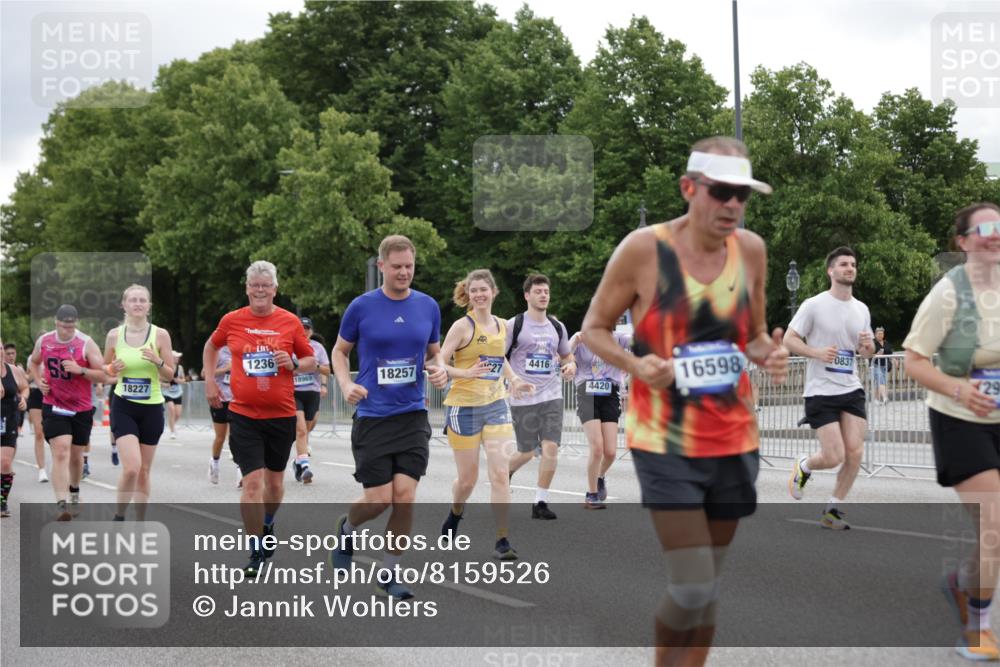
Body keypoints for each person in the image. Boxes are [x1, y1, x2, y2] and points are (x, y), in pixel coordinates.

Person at [581, 136, 787, 666]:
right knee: (692, 584)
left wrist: (771, 353)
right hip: (665, 438)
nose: (733, 206)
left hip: (733, 436)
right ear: (688, 188)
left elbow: (756, 335)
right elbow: (593, 330)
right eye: (721, 192)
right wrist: (636, 365)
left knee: (708, 584)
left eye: (742, 195)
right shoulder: (644, 250)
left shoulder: (753, 251)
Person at [903, 202, 1000, 661]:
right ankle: (978, 629)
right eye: (985, 228)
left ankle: (964, 582)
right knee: (995, 526)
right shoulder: (948, 295)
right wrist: (960, 391)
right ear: (962, 241)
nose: (995, 234)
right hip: (961, 421)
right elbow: (914, 362)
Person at [329, 235, 448, 600]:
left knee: (405, 497)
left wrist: (440, 370)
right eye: (396, 266)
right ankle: (347, 529)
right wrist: (346, 382)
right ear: (382, 266)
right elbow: (339, 350)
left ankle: (389, 571)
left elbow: (435, 352)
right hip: (373, 415)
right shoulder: (362, 307)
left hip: (411, 415)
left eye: (409, 266)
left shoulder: (427, 306)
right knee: (379, 499)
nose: (404, 272)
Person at [204, 261, 316, 576]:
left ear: (275, 289)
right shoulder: (232, 320)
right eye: (255, 285)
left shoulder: (289, 322)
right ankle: (255, 548)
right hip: (243, 414)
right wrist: (210, 380)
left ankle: (268, 525)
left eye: (266, 285)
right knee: (252, 483)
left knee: (275, 484)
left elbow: (309, 360)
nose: (260, 290)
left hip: (280, 414)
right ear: (247, 288)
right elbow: (210, 347)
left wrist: (293, 362)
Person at [439, 269, 532, 560]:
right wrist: (464, 372)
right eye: (474, 290)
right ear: (468, 294)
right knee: (467, 480)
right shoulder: (461, 327)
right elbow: (439, 363)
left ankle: (502, 539)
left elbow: (499, 359)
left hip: (496, 406)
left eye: (484, 289)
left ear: (494, 292)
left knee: (500, 475)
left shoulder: (503, 326)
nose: (479, 294)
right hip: (463, 408)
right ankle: (456, 512)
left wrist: (514, 380)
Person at [784, 247, 875, 529]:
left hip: (851, 388)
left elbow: (867, 352)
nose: (850, 268)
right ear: (831, 271)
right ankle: (805, 466)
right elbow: (789, 339)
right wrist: (816, 352)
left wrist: (866, 346)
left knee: (855, 453)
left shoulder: (861, 309)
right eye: (844, 264)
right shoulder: (813, 305)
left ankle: (832, 510)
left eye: (853, 264)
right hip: (820, 390)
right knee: (833, 456)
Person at [505, 274, 575, 520]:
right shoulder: (515, 325)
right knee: (526, 452)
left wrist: (571, 366)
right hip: (523, 398)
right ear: (527, 296)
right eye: (538, 291)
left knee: (550, 448)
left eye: (546, 291)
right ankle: (505, 473)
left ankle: (540, 502)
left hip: (552, 395)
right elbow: (499, 356)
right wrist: (513, 380)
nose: (543, 295)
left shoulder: (557, 327)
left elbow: (567, 356)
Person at [103, 284, 175, 521]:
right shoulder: (114, 335)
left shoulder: (160, 335)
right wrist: (112, 368)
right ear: (124, 305)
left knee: (144, 470)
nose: (137, 304)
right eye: (132, 300)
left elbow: (170, 375)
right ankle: (120, 515)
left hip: (153, 407)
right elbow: (105, 371)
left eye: (142, 300)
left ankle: (140, 522)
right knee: (132, 467)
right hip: (124, 405)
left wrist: (157, 361)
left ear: (148, 306)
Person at [29, 304, 107, 520]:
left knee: (75, 455)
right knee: (61, 451)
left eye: (72, 326)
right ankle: (61, 503)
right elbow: (34, 363)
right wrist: (38, 380)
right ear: (56, 323)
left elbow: (104, 375)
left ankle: (74, 491)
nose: (68, 330)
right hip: (54, 405)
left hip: (81, 407)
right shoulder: (44, 341)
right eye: (65, 326)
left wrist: (80, 370)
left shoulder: (85, 343)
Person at [570, 327, 631, 509]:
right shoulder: (581, 336)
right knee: (597, 448)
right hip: (587, 393)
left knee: (610, 452)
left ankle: (600, 476)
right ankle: (591, 494)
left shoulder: (619, 338)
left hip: (610, 393)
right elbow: (562, 354)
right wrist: (575, 342)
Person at [291, 317, 331, 484]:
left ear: (312, 331)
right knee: (301, 430)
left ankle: (297, 461)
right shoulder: (289, 346)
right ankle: (305, 466)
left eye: (307, 328)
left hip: (312, 392)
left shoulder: (318, 347)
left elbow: (327, 370)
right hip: (294, 392)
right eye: (302, 328)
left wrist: (314, 368)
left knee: (309, 425)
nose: (305, 331)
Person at [1, 336, 30, 517]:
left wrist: (24, 399)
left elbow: (25, 387)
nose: (0, 352)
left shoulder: (13, 370)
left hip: (9, 419)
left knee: (5, 462)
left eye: (1, 348)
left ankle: (2, 502)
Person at [207, 345, 233, 485]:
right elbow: (205, 373)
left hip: (238, 400)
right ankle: (214, 462)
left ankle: (242, 473)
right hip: (220, 399)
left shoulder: (244, 348)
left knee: (238, 436)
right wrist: (226, 369)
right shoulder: (218, 351)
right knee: (220, 437)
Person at [161, 352, 185, 438]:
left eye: (178, 357)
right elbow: (156, 379)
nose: (177, 359)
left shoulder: (180, 368)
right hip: (167, 392)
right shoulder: (165, 367)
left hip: (177, 391)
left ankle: (172, 425)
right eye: (175, 357)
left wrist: (179, 380)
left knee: (178, 413)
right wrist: (164, 384)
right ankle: (172, 431)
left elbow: (183, 380)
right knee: (171, 409)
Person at [872, 327, 894, 405]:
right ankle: (885, 397)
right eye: (879, 334)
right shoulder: (872, 343)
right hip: (875, 365)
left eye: (882, 333)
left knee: (879, 382)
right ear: (875, 334)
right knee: (881, 380)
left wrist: (894, 361)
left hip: (884, 365)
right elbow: (868, 354)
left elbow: (891, 353)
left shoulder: (886, 343)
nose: (880, 335)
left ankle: (876, 399)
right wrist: (876, 354)